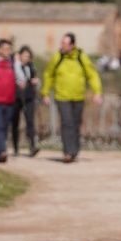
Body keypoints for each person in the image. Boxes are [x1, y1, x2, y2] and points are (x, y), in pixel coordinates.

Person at [41, 33, 102, 163]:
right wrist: (45, 93)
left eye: (65, 43)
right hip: (61, 96)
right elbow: (48, 74)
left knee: (75, 123)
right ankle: (68, 152)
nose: (62, 46)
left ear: (72, 45)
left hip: (78, 96)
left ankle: (74, 150)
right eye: (61, 43)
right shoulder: (57, 57)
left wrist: (97, 92)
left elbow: (92, 74)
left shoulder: (81, 57)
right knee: (67, 122)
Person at [12, 46, 40, 157]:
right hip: (16, 97)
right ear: (19, 55)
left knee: (30, 121)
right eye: (24, 55)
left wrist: (36, 82)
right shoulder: (14, 66)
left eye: (28, 56)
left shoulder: (31, 67)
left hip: (29, 97)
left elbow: (35, 79)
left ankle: (32, 146)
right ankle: (15, 148)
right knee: (15, 122)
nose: (26, 58)